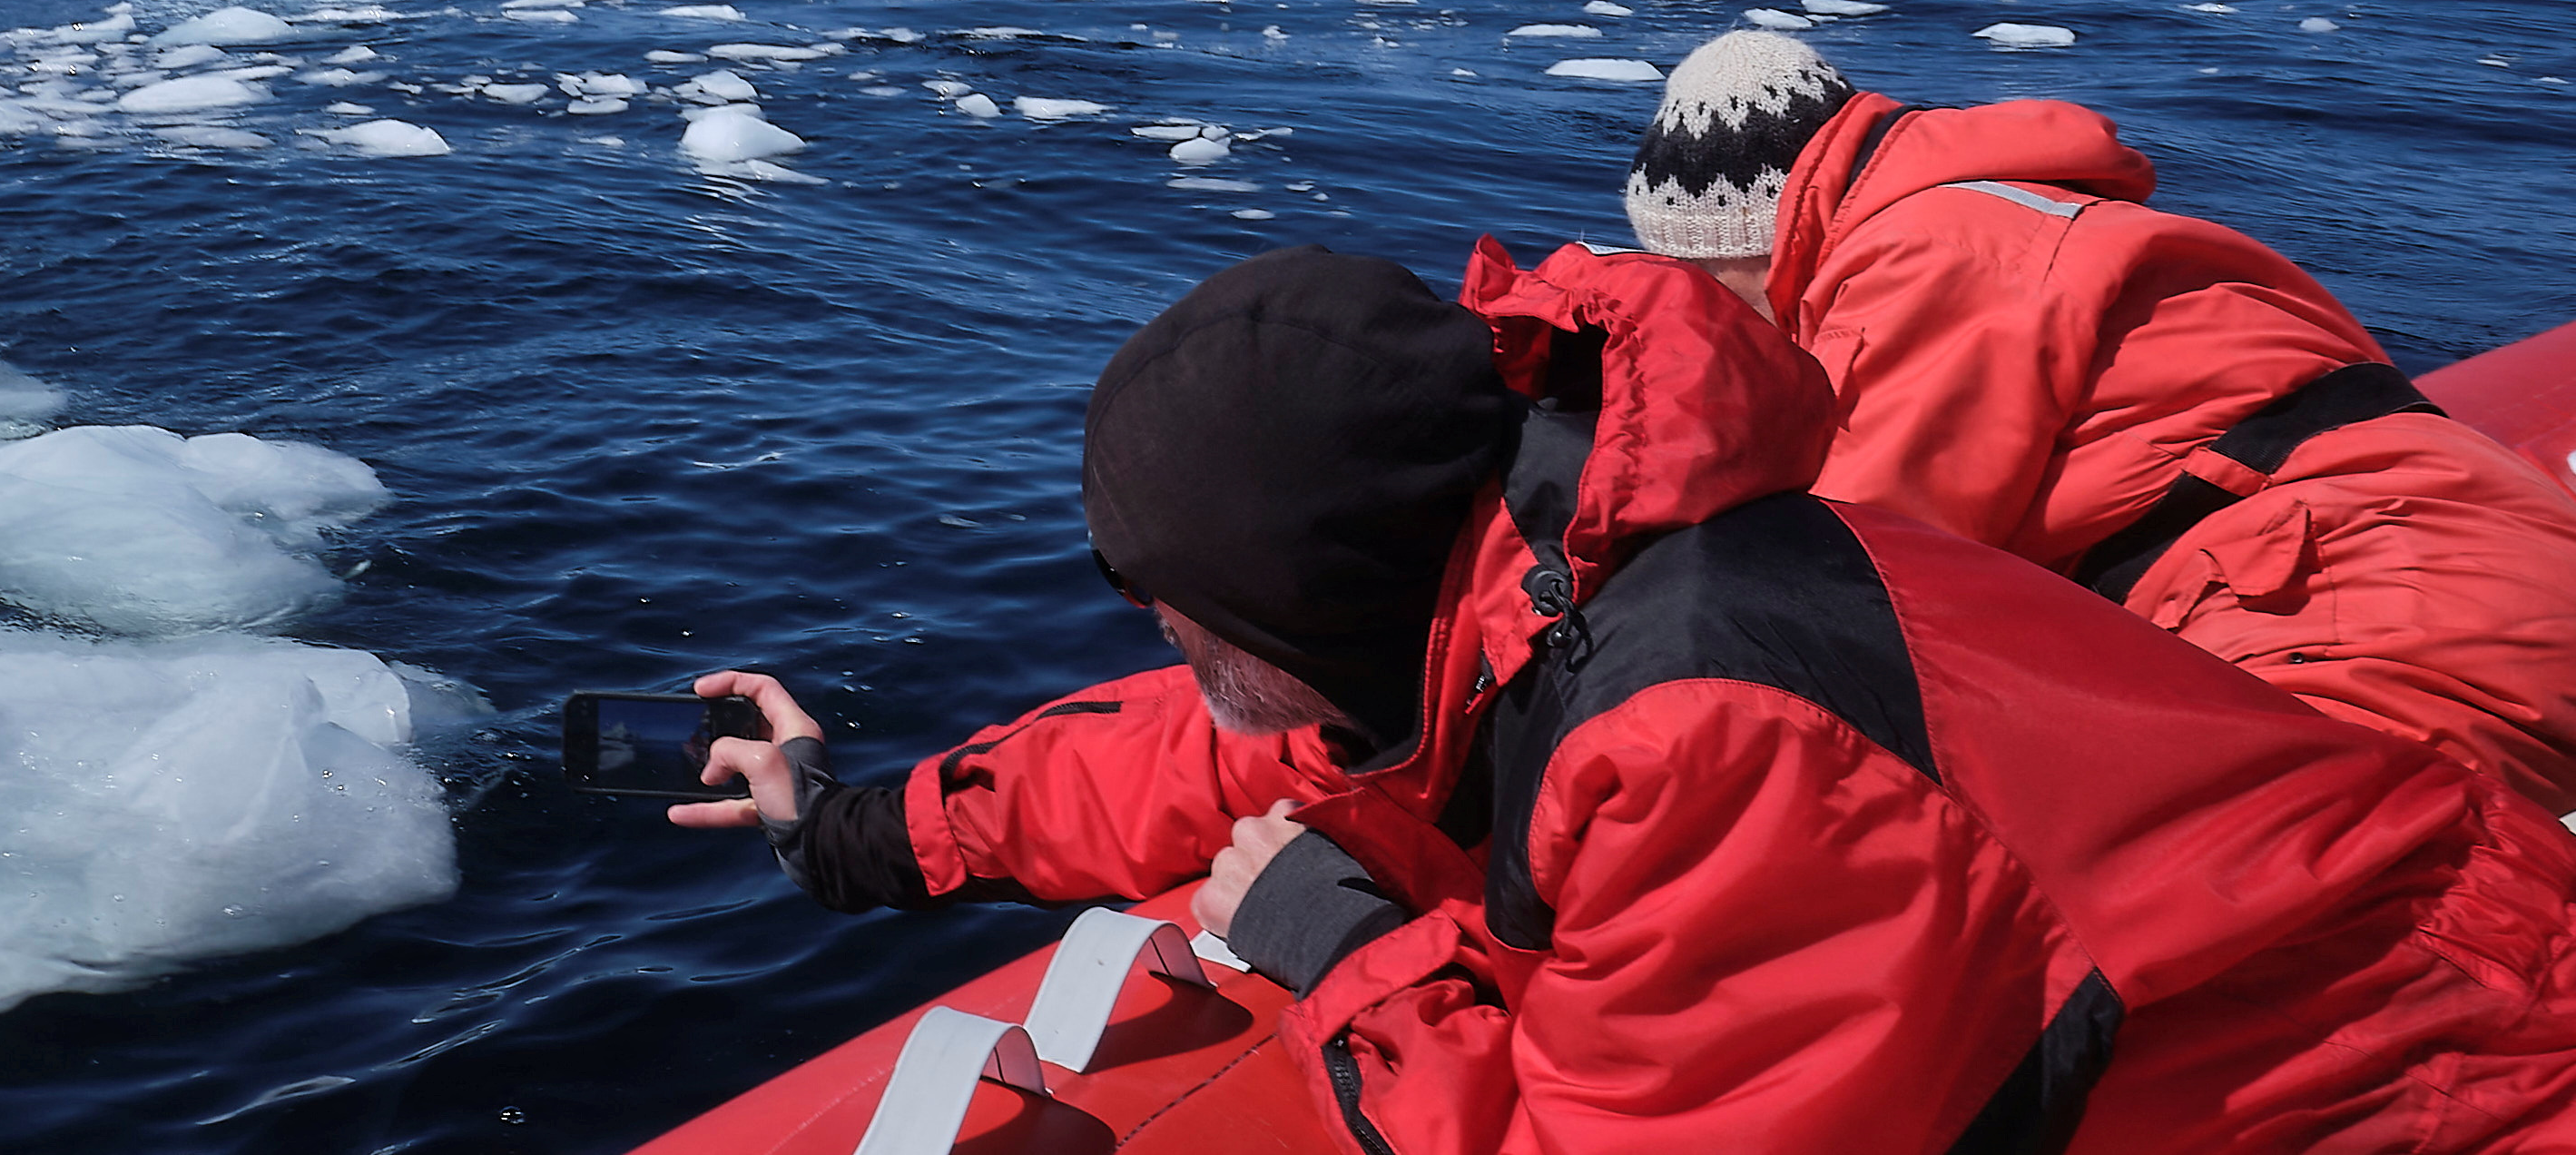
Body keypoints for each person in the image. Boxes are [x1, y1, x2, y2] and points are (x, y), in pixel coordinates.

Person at [676, 243, 2576, 1151]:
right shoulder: (1510, 601)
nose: (1162, 642)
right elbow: (1196, 751)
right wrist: (848, 823)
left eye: (1173, 602)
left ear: (1299, 593)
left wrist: (1343, 950)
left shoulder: (1714, 735)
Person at [1617, 27, 2576, 811]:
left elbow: (1859, 560)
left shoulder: (1931, 253)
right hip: (2466, 575)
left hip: (2375, 630)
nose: (1710, 313)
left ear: (1755, 239)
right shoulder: (2021, 217)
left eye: (1702, 281)